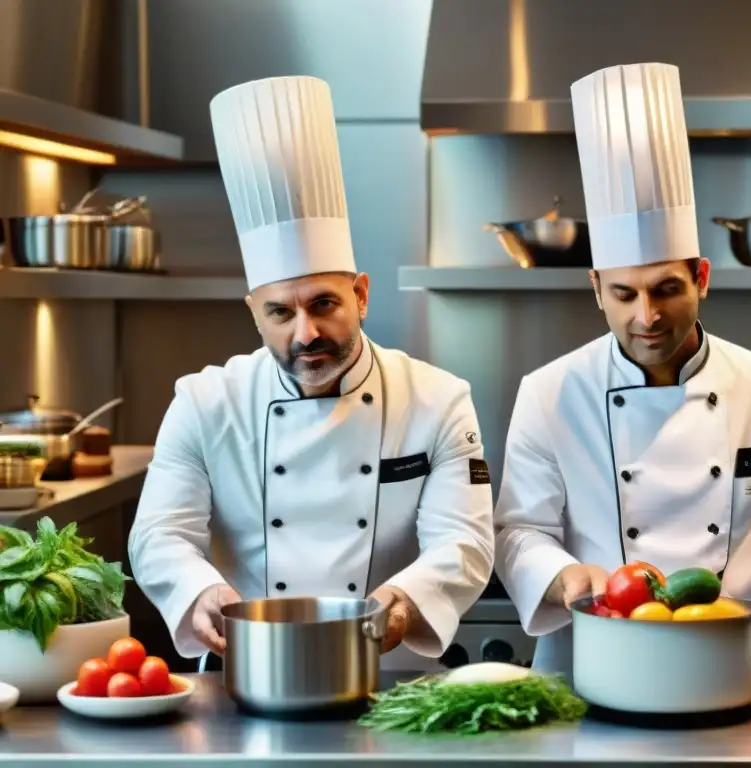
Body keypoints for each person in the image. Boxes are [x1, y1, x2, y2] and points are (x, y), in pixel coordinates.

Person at [493, 62, 751, 702]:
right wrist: (562, 577)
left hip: (737, 661)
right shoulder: (549, 392)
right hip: (592, 663)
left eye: (668, 288)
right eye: (624, 294)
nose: (647, 316)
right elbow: (517, 530)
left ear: (703, 278)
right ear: (596, 291)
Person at [128, 75, 495, 671]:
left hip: (389, 672)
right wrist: (200, 591)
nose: (305, 333)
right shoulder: (204, 403)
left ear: (361, 295)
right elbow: (159, 534)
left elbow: (465, 541)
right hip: (249, 668)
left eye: (324, 303)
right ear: (254, 311)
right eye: (280, 312)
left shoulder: (438, 400)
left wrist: (400, 604)